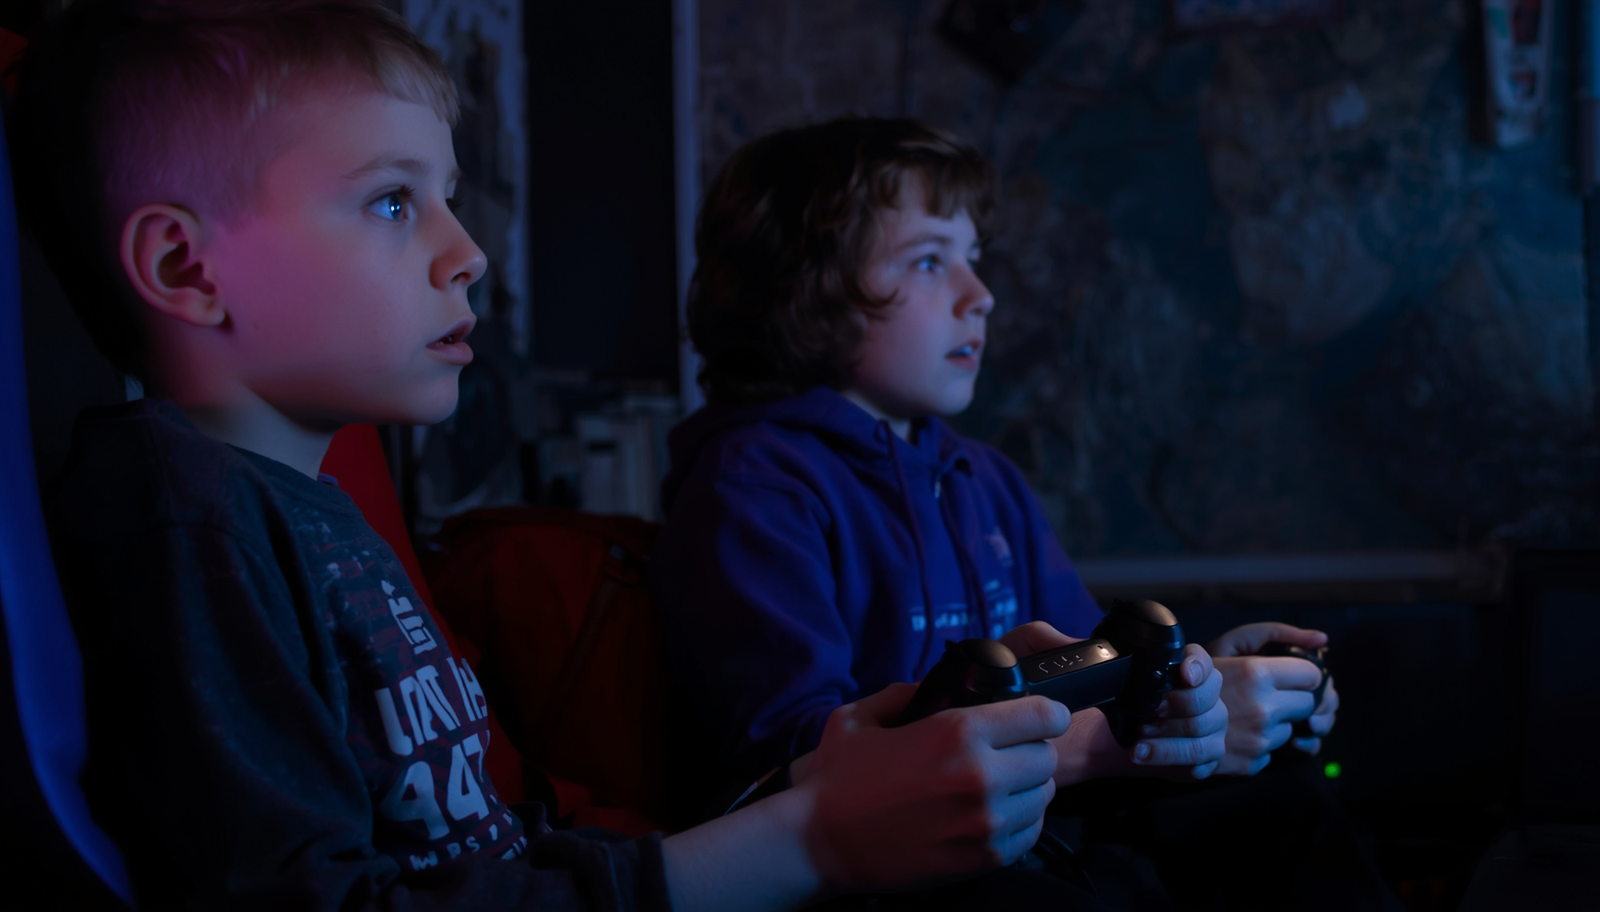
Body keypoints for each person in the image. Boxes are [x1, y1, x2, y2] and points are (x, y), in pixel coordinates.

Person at [7, 4, 1179, 909]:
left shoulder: (306, 504)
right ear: (185, 270)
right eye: (389, 203)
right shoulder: (194, 525)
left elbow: (496, 836)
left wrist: (829, 786)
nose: (466, 254)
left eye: (449, 198)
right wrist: (805, 838)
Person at [650, 118, 1339, 838]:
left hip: (1039, 829)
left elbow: (1092, 673)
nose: (980, 294)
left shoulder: (984, 478)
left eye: (972, 257)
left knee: (1284, 807)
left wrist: (1198, 686)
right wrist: (1128, 746)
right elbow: (791, 766)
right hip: (903, 865)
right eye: (927, 261)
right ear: (803, 287)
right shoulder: (756, 487)